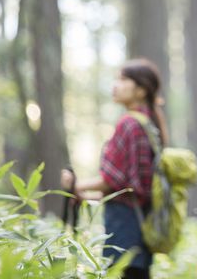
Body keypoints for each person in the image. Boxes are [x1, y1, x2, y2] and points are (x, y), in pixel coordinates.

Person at [61, 58, 168, 279]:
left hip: (123, 227)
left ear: (141, 90)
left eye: (123, 79)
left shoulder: (129, 123)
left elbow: (113, 180)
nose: (115, 85)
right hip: (141, 223)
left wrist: (74, 185)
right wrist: (85, 193)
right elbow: (128, 185)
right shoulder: (149, 123)